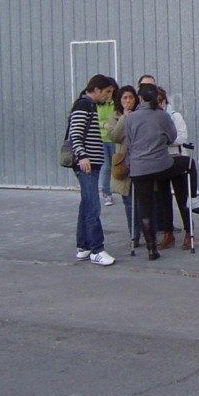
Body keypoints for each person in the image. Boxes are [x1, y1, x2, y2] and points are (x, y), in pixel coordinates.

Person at [124, 83, 189, 260]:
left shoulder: (130, 118)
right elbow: (172, 137)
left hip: (138, 168)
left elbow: (129, 142)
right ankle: (193, 202)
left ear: (140, 98)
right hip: (161, 165)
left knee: (145, 208)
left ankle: (151, 249)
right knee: (187, 163)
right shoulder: (162, 115)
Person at [68, 74, 116, 266]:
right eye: (107, 92)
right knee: (93, 206)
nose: (109, 96)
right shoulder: (83, 105)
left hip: (91, 163)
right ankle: (97, 249)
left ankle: (83, 247)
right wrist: (82, 156)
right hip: (86, 164)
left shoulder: (89, 105)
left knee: (86, 204)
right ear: (97, 90)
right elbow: (75, 134)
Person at [157, 86, 199, 250]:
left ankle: (189, 232)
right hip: (159, 160)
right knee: (164, 199)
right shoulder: (153, 118)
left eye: (160, 101)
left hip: (177, 159)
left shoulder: (175, 116)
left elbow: (182, 137)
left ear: (164, 101)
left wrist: (164, 141)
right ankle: (168, 233)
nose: (158, 105)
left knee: (182, 198)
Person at [105, 85, 140, 246]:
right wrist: (124, 118)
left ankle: (147, 230)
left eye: (131, 97)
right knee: (128, 199)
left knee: (142, 199)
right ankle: (134, 234)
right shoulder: (115, 117)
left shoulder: (140, 113)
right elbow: (115, 136)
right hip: (124, 161)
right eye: (124, 98)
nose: (128, 101)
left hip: (140, 160)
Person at [97, 78, 118, 207]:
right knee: (106, 167)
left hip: (115, 138)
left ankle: (121, 189)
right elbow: (95, 119)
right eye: (107, 91)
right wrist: (103, 124)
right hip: (102, 138)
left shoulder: (116, 103)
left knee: (118, 166)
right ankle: (107, 193)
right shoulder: (99, 103)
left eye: (112, 91)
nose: (109, 94)